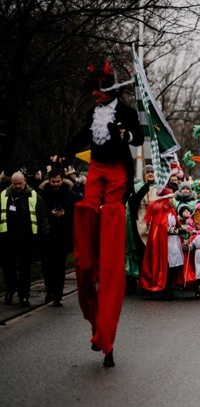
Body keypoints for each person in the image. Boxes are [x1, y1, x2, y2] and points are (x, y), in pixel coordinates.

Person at [53, 62, 143, 367]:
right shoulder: (93, 113)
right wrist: (62, 154)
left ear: (108, 91)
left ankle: (109, 230)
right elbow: (80, 136)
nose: (93, 95)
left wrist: (126, 135)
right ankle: (89, 238)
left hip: (117, 172)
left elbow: (140, 137)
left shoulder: (127, 112)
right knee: (88, 206)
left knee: (113, 210)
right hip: (96, 170)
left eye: (97, 90)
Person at [1, 172, 50, 307]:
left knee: (25, 269)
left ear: (25, 181)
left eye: (20, 183)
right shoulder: (4, 195)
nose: (17, 186)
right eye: (15, 184)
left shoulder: (34, 196)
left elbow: (42, 216)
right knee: (8, 268)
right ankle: (10, 291)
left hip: (26, 239)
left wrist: (44, 235)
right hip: (8, 239)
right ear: (11, 182)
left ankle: (24, 295)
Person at [39, 168, 81, 306]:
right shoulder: (42, 195)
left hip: (63, 235)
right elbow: (39, 214)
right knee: (47, 266)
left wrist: (65, 214)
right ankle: (49, 290)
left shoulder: (71, 195)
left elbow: (76, 213)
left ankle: (57, 294)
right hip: (47, 236)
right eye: (53, 182)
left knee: (59, 266)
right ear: (49, 181)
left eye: (58, 181)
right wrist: (50, 214)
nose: (56, 184)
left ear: (62, 180)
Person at [138, 188, 183, 300]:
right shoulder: (161, 213)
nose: (173, 200)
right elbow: (164, 229)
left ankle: (170, 288)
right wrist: (180, 231)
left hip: (174, 243)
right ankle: (166, 290)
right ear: (166, 199)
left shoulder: (172, 211)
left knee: (174, 266)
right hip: (166, 244)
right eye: (171, 198)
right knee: (167, 266)